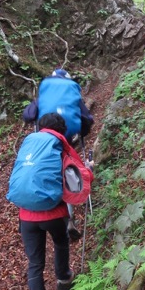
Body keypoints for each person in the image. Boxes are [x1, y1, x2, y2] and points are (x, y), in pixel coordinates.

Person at [7, 112, 93, 290]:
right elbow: (77, 174)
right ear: (61, 129)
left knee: (35, 263)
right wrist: (90, 170)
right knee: (61, 242)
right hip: (54, 212)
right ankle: (64, 280)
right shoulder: (59, 145)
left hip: (26, 215)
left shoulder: (29, 144)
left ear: (41, 127)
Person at [23, 68, 94, 241]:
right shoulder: (71, 92)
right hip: (65, 137)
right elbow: (87, 119)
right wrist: (83, 132)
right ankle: (68, 217)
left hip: (44, 140)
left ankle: (51, 211)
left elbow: (28, 114)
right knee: (66, 170)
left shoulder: (45, 94)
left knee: (49, 171)